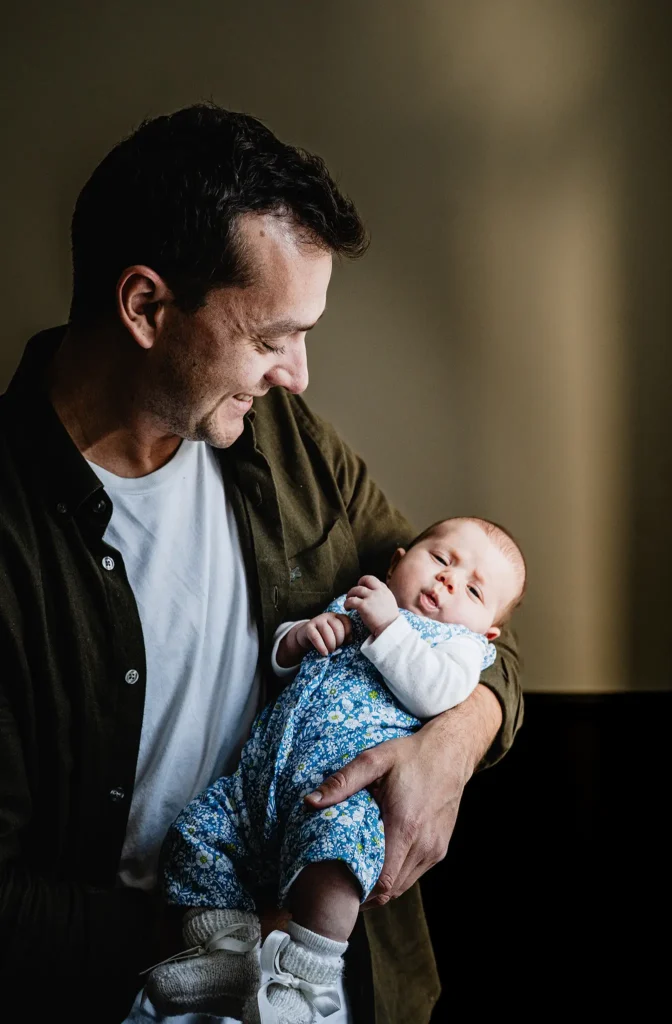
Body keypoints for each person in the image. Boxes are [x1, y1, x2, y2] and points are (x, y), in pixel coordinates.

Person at [0, 104, 523, 1024]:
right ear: (146, 307)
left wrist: (454, 740)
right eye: (270, 336)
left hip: (356, 994)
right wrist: (230, 933)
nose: (297, 374)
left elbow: (472, 625)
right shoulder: (10, 540)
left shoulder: (281, 442)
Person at [145, 516, 526, 1023]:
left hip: (337, 795)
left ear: (489, 633)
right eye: (440, 559)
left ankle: (304, 982)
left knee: (335, 869)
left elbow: (433, 690)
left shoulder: (457, 650)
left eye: (474, 591)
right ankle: (225, 956)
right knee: (196, 835)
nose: (449, 580)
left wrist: (389, 626)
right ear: (396, 563)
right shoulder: (360, 601)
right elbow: (283, 660)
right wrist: (300, 637)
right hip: (258, 782)